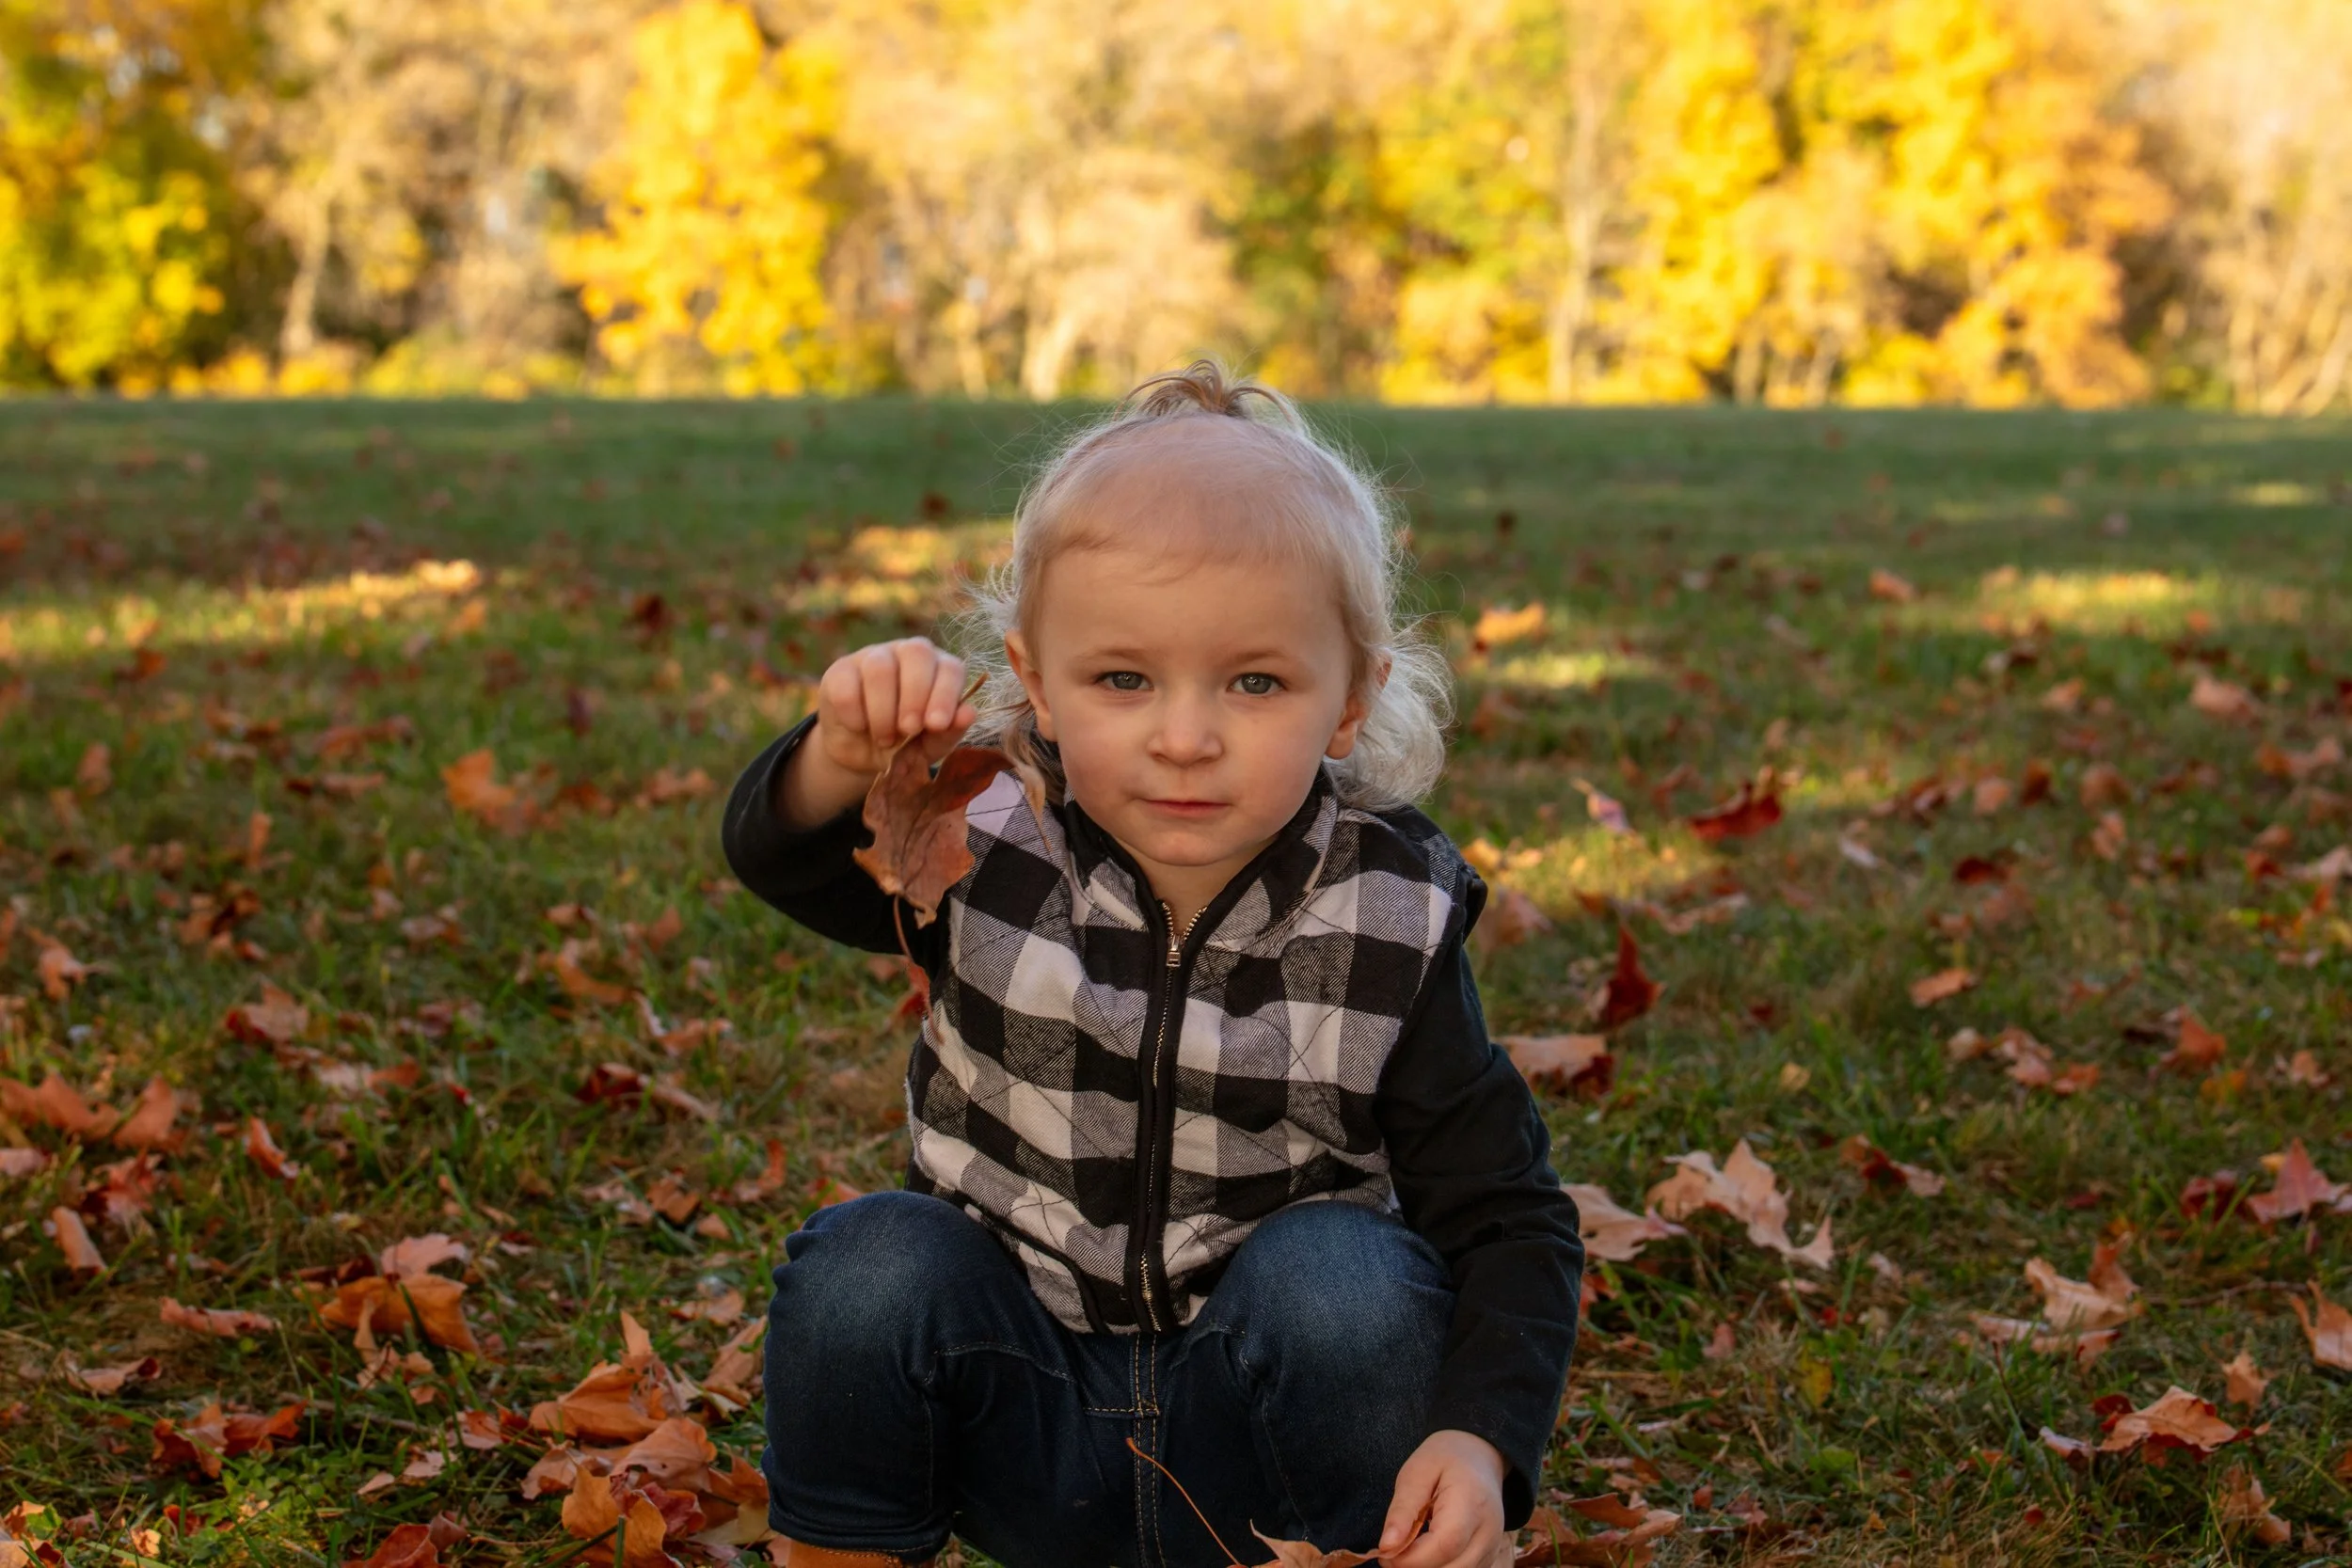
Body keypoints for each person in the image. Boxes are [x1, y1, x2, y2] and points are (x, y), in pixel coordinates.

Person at [722, 360, 1581, 1568]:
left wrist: (1480, 1437)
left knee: (1346, 1279)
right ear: (1035, 683)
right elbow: (788, 862)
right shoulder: (984, 841)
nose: (1184, 736)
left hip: (1256, 1443)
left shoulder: (1383, 917)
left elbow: (1506, 1216)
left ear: (1349, 701)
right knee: (869, 1263)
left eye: (1255, 681)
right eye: (1123, 678)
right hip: (1013, 1409)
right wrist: (833, 757)